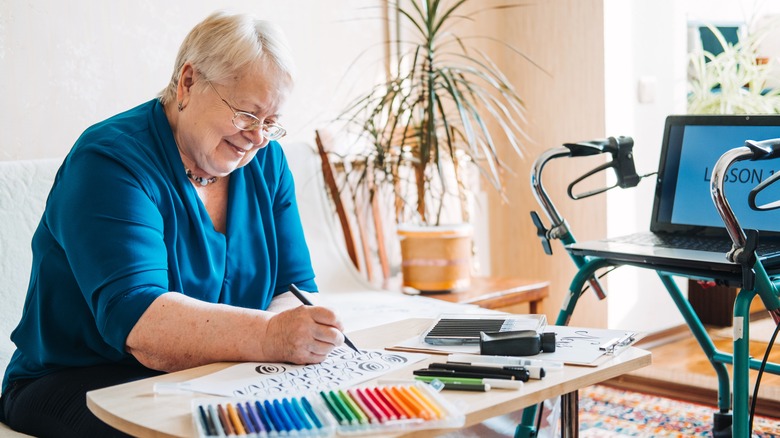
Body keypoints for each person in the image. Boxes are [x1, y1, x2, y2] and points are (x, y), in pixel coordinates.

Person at [0, 11, 346, 437]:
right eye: (246, 114)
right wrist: (270, 337)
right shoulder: (110, 161)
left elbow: (295, 290)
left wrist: (283, 351)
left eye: (271, 123)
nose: (258, 137)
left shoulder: (267, 163)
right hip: (79, 380)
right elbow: (141, 323)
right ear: (188, 82)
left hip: (215, 378)